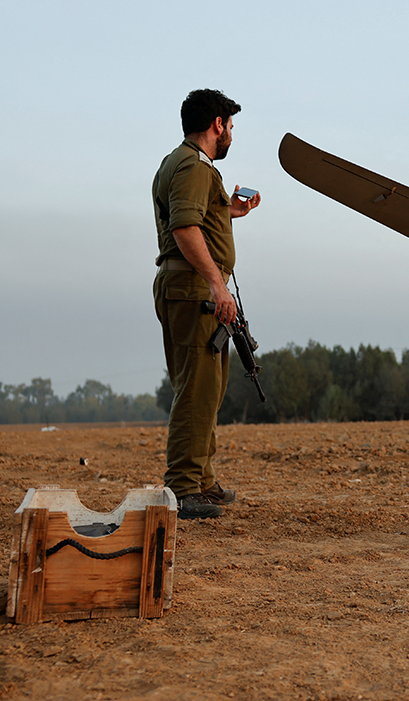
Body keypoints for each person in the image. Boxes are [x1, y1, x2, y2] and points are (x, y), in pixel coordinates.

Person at [152, 89, 261, 520]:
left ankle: (200, 480)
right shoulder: (195, 166)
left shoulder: (182, 164)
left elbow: (195, 217)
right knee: (196, 389)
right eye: (231, 126)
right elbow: (183, 227)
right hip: (193, 288)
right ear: (217, 124)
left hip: (192, 287)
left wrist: (228, 211)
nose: (231, 133)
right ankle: (182, 488)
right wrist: (218, 285)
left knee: (209, 387)